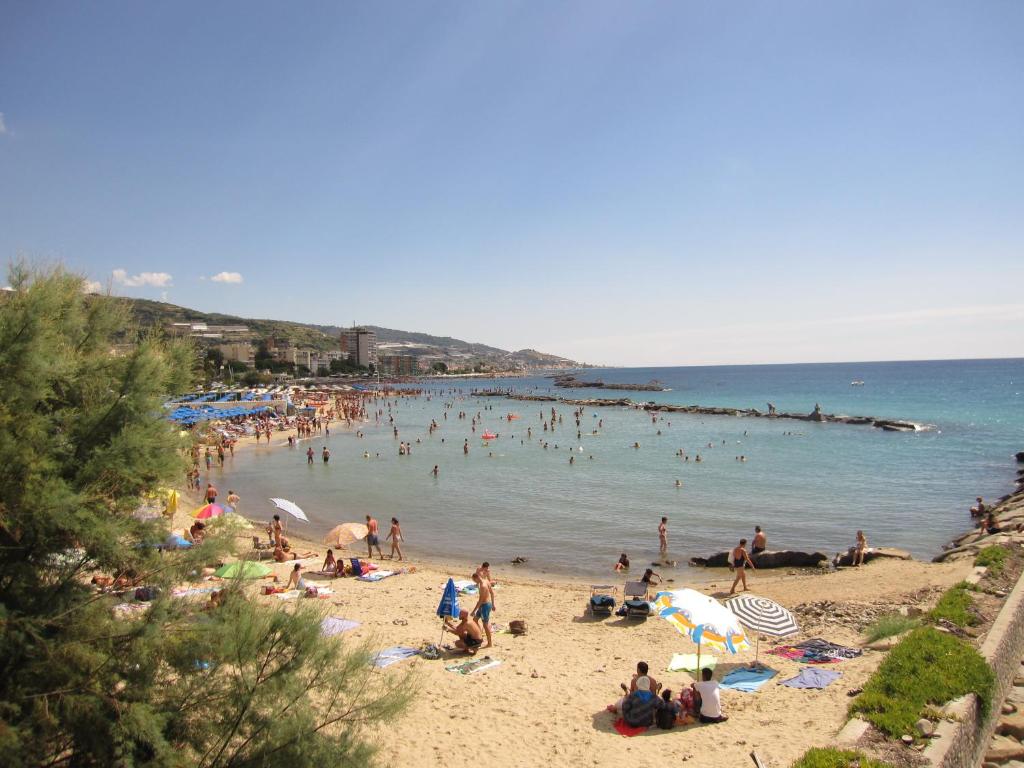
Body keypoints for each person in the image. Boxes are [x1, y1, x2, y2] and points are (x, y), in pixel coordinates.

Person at [472, 571, 495, 648]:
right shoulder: (486, 581)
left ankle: (489, 643)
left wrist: (473, 611)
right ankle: (479, 634)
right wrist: (493, 604)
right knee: (475, 620)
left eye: (474, 580)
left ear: (476, 578)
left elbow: (480, 600)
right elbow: (492, 593)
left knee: (485, 625)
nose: (475, 582)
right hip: (485, 605)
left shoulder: (482, 586)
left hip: (485, 606)